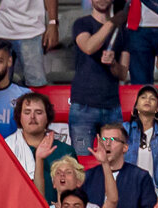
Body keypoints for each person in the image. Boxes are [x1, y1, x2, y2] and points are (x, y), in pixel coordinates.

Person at [65, 0, 126, 155]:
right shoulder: (81, 23)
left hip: (112, 106)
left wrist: (113, 64)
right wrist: (112, 22)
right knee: (81, 162)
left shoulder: (121, 31)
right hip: (83, 106)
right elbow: (89, 47)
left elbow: (123, 73)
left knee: (115, 161)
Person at [4, 93, 75, 202]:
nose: (32, 117)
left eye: (38, 112)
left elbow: (74, 196)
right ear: (19, 117)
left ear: (48, 117)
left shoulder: (65, 151)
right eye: (27, 112)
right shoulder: (6, 148)